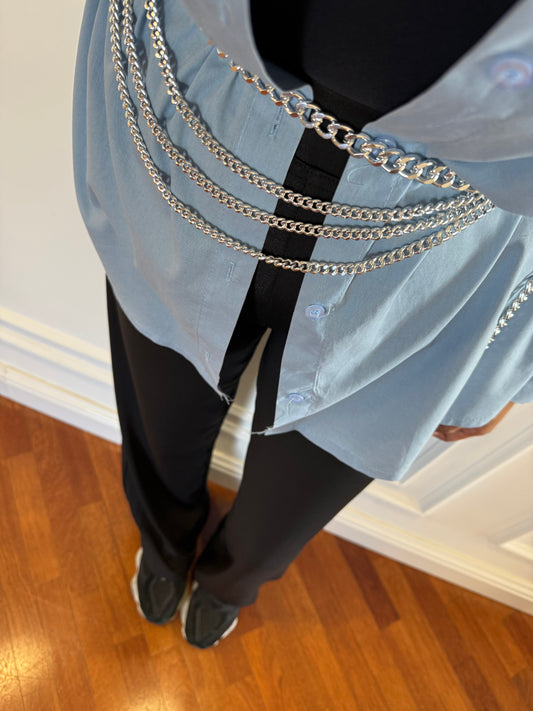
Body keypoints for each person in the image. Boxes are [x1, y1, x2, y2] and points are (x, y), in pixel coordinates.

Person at [73, 0, 533, 648]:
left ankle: (232, 581)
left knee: (309, 480)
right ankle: (163, 543)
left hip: (442, 250)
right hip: (194, 139)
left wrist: (515, 360)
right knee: (160, 419)